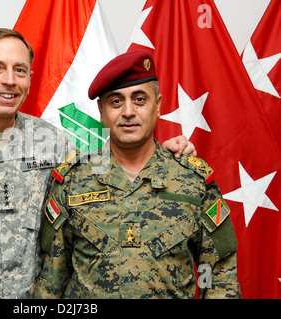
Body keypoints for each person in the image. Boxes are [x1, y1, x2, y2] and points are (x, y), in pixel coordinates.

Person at [0, 28, 196, 298]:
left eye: (19, 70)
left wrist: (164, 158)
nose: (9, 80)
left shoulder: (52, 142)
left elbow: (104, 186)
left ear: (30, 77)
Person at [34, 50, 241, 299]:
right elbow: (53, 279)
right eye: (116, 101)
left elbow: (216, 272)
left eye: (140, 99)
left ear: (158, 105)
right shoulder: (71, 182)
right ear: (101, 111)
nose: (128, 111)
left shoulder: (193, 182)